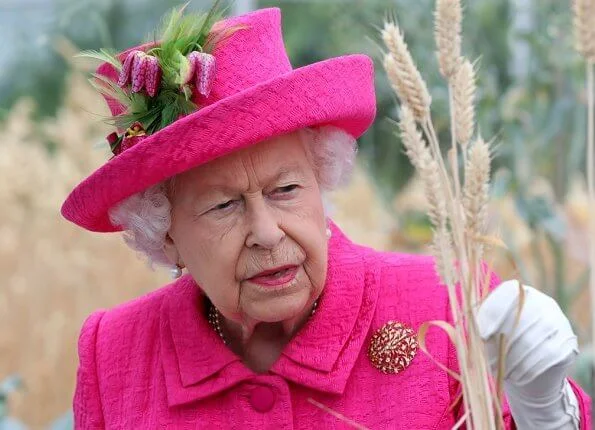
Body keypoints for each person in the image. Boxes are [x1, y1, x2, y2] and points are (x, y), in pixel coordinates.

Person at [63, 6, 591, 429]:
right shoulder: (115, 353)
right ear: (166, 232)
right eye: (224, 205)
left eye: (287, 188)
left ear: (322, 178)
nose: (267, 233)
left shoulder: (448, 303)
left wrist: (543, 411)